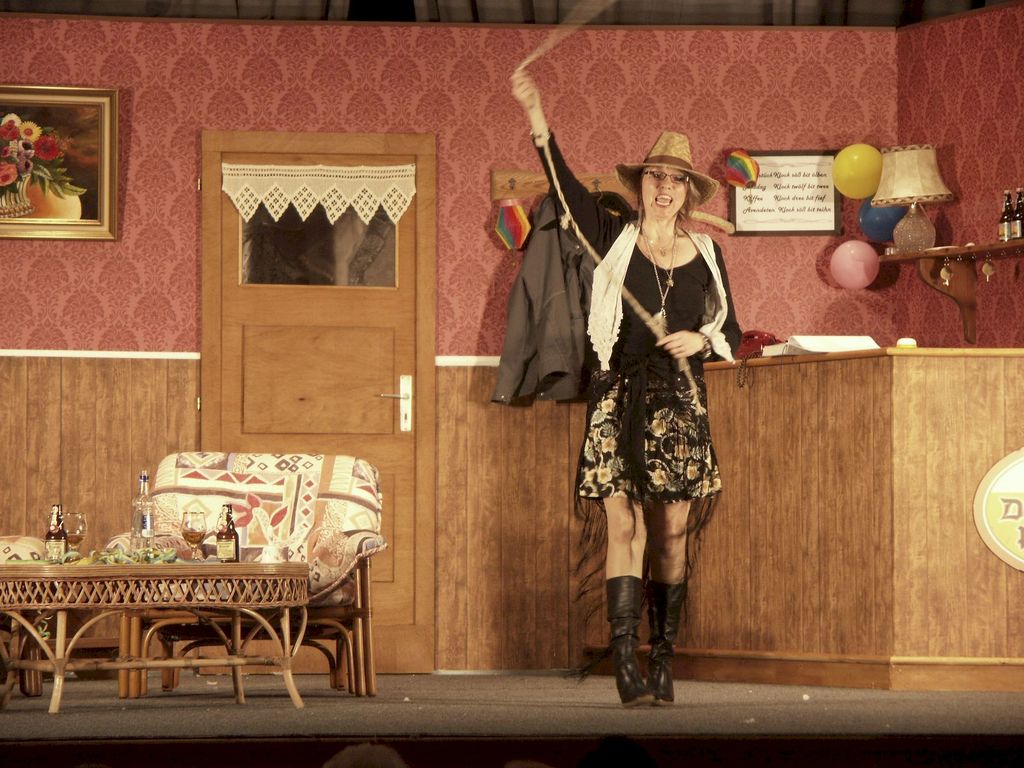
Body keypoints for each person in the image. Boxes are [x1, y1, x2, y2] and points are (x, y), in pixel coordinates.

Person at [511, 69, 742, 707]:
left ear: (687, 192)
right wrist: (536, 114)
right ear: (640, 185)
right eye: (654, 177)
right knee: (623, 524)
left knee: (671, 533)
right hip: (618, 399)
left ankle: (662, 657)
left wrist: (700, 340)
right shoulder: (613, 238)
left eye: (675, 180)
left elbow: (731, 329)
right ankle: (623, 660)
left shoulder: (707, 254)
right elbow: (562, 182)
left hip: (680, 405)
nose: (664, 188)